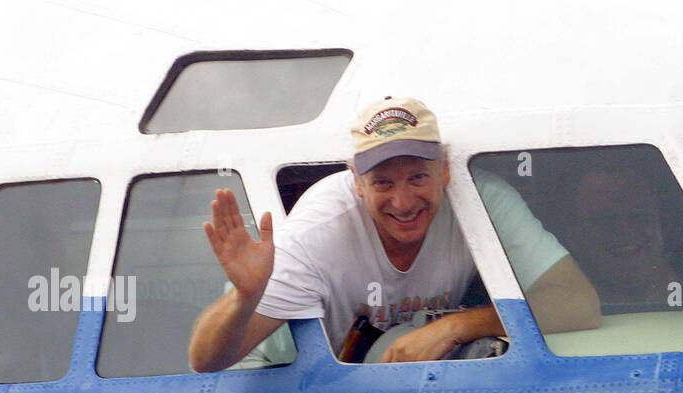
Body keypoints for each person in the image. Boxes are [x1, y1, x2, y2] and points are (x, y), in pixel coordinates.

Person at [189, 97, 599, 370]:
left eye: (418, 177)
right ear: (356, 183)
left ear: (445, 170)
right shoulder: (319, 230)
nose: (403, 203)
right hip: (285, 390)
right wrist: (245, 298)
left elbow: (578, 302)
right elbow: (207, 361)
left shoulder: (481, 200)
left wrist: (455, 327)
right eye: (383, 183)